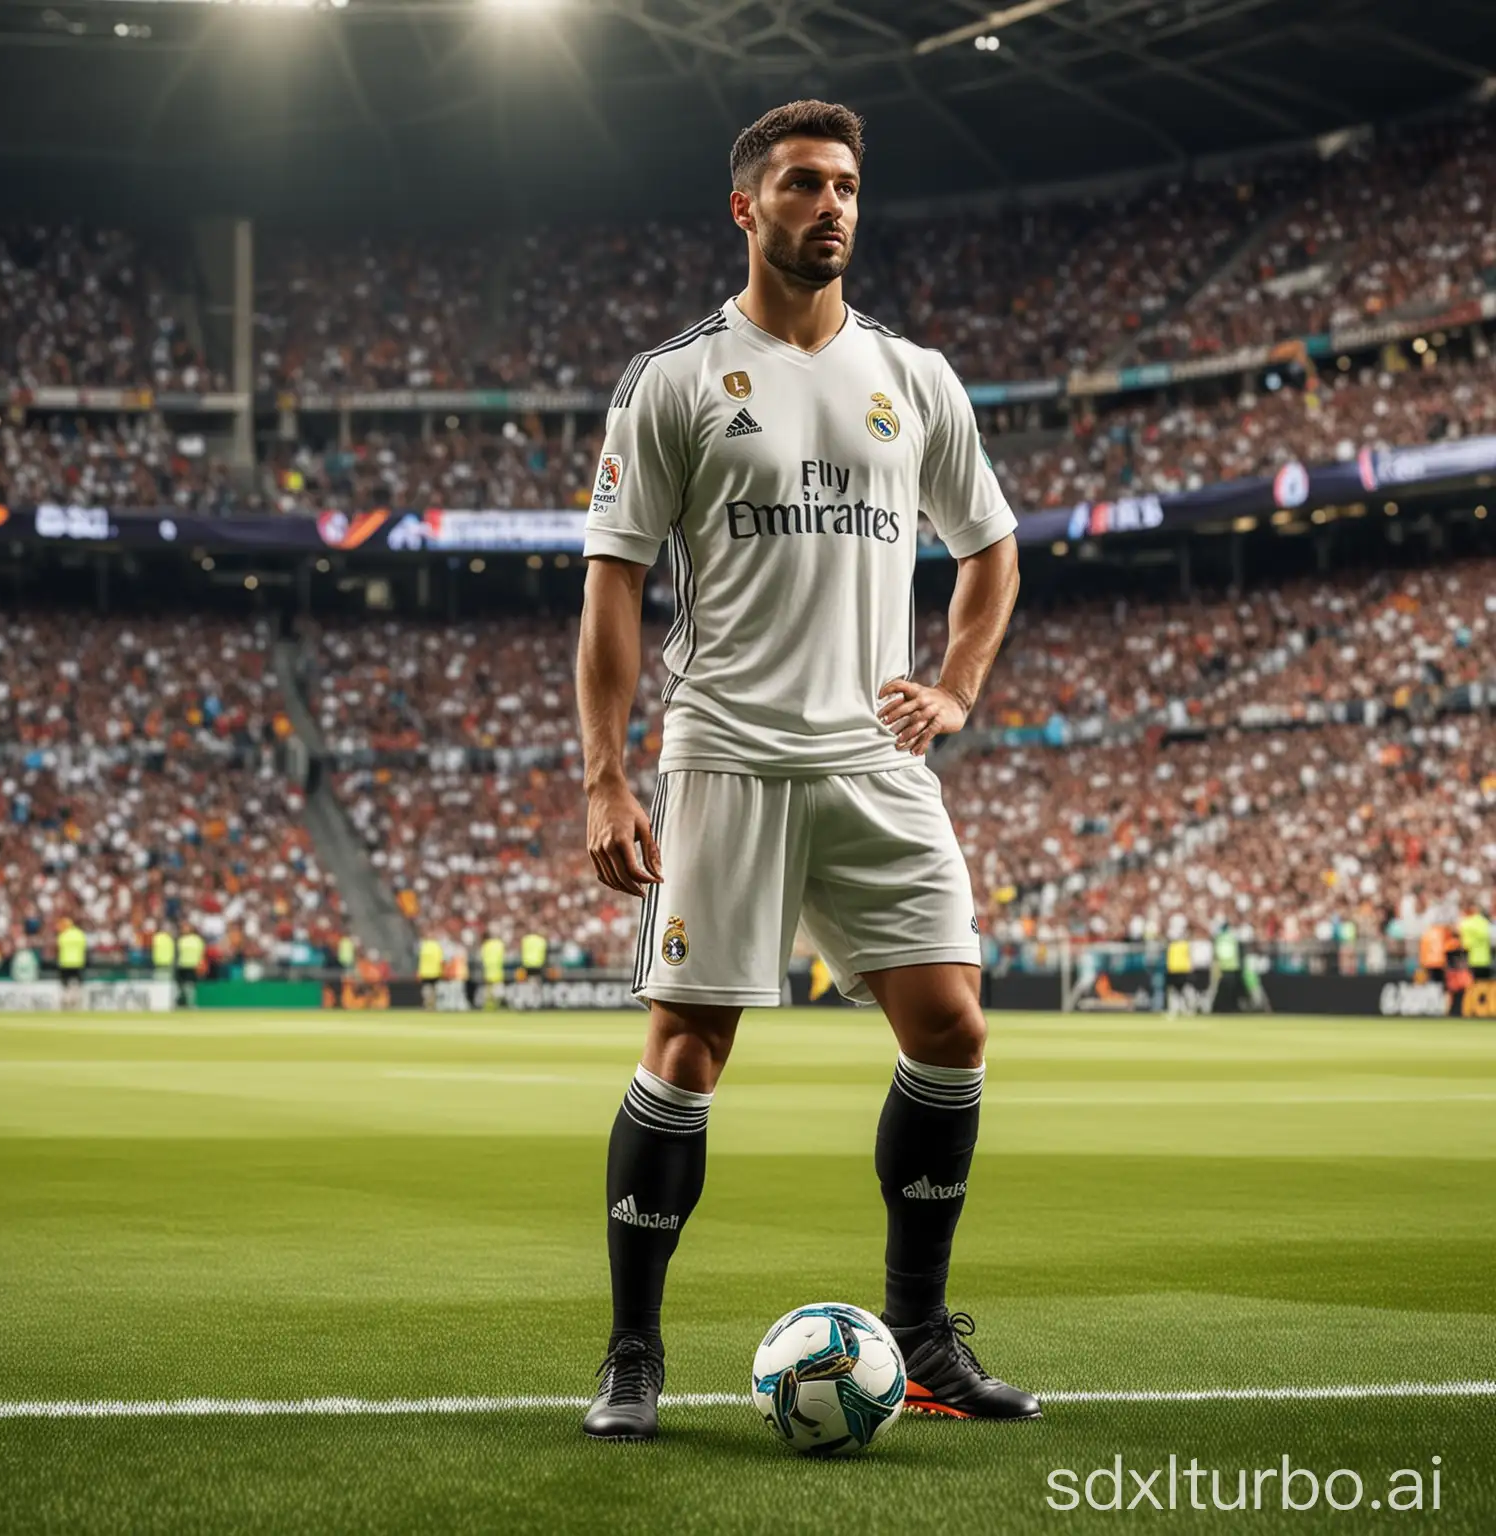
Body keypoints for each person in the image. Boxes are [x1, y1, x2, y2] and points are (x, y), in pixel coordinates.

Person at [575, 99, 1034, 1441]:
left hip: (876, 762)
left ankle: (923, 1334)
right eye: (799, 184)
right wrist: (606, 775)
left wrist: (953, 685)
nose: (828, 204)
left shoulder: (917, 377)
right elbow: (612, 591)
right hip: (727, 751)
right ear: (747, 208)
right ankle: (633, 1352)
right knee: (689, 1048)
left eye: (843, 184)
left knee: (950, 1026)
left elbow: (992, 548)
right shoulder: (673, 381)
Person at [56, 918, 88, 1009]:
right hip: (78, 962)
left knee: (65, 983)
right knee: (77, 983)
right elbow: (84, 947)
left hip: (65, 962)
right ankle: (76, 1000)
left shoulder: (63, 935)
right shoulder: (80, 934)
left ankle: (67, 1000)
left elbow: (59, 947)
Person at [1459, 903, 1491, 982]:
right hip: (1485, 958)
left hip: (1473, 959)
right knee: (1486, 984)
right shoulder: (1484, 922)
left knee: (1475, 986)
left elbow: (1465, 945)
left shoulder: (1466, 924)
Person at [175, 926, 205, 1009]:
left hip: (186, 965)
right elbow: (201, 953)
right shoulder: (198, 940)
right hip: (189, 965)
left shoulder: (181, 940)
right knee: (189, 986)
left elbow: (178, 952)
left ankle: (188, 1003)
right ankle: (188, 1003)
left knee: (186, 986)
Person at [479, 931, 506, 1011]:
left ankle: (489, 1007)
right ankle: (499, 1005)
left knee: (489, 992)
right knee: (498, 990)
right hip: (498, 970)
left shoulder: (485, 946)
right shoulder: (499, 944)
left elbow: (482, 958)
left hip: (488, 971)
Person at [418, 934, 444, 1010]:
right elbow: (441, 960)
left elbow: (420, 960)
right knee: (434, 990)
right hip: (435, 972)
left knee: (427, 990)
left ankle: (428, 1005)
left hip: (425, 972)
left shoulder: (424, 946)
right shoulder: (437, 946)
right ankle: (433, 1005)